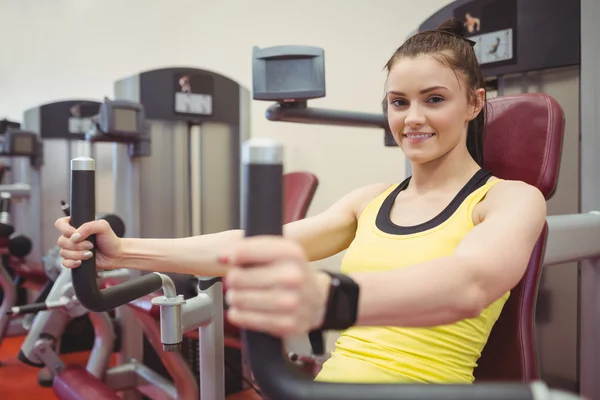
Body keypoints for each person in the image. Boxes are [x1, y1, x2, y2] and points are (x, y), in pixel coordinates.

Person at [55, 18, 546, 385]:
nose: (412, 118)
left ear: (475, 103)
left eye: (434, 99)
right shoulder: (370, 201)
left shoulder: (509, 200)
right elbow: (250, 246)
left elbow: (470, 284)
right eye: (399, 102)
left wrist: (332, 299)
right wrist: (123, 251)